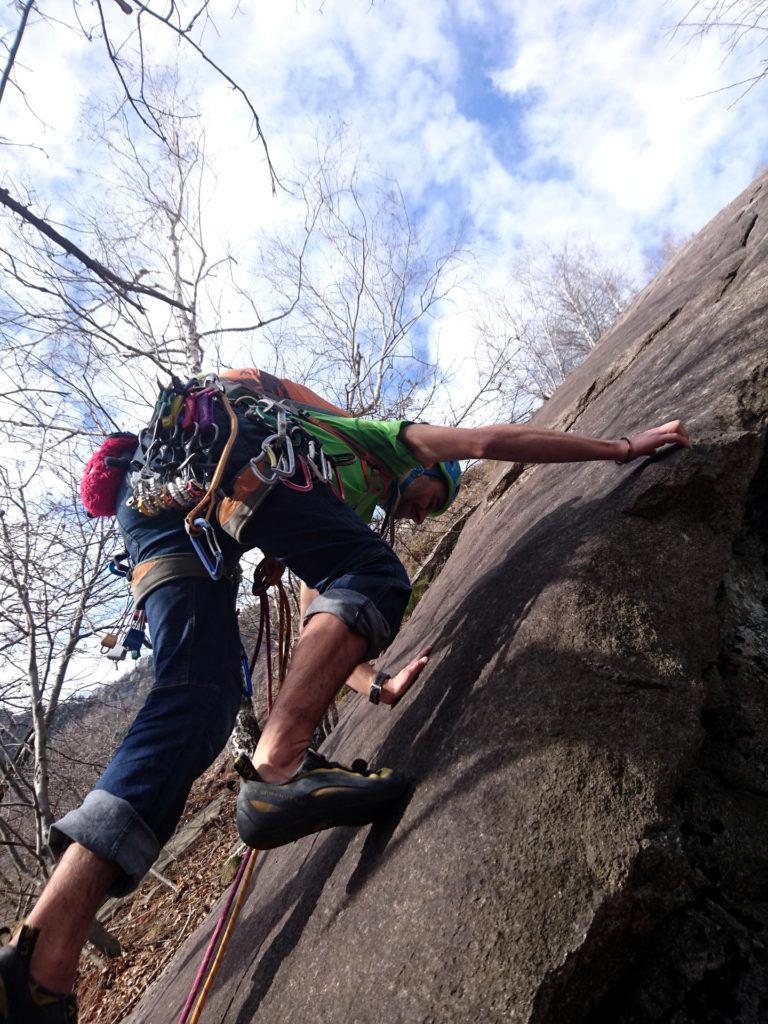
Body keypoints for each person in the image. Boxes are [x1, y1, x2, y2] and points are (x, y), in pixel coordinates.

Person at [0, 368, 691, 1022]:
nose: (422, 514)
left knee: (197, 693)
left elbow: (318, 611)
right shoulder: (380, 442)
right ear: (424, 471)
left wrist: (377, 683)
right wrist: (621, 446)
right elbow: (489, 442)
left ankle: (41, 964)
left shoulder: (328, 499)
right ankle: (277, 770)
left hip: (153, 497)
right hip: (229, 448)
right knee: (375, 571)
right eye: (433, 497)